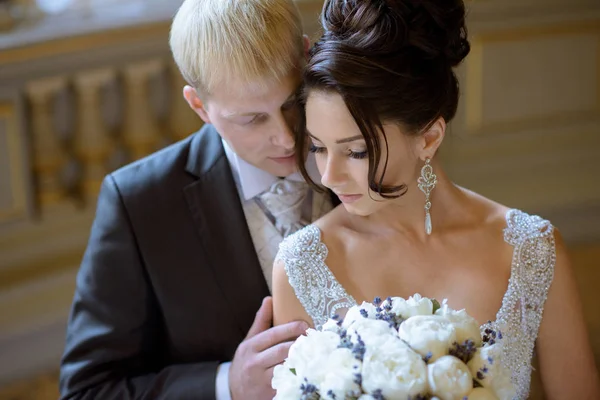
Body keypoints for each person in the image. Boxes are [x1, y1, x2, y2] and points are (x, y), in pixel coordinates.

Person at [272, 0, 600, 398]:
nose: (328, 176)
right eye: (319, 148)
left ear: (428, 138)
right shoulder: (302, 264)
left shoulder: (531, 251)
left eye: (356, 151)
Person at [59, 0, 338, 399]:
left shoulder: (365, 148)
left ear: (308, 57)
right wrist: (228, 385)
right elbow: (87, 390)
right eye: (251, 119)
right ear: (199, 107)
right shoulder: (140, 204)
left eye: (291, 103)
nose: (285, 136)